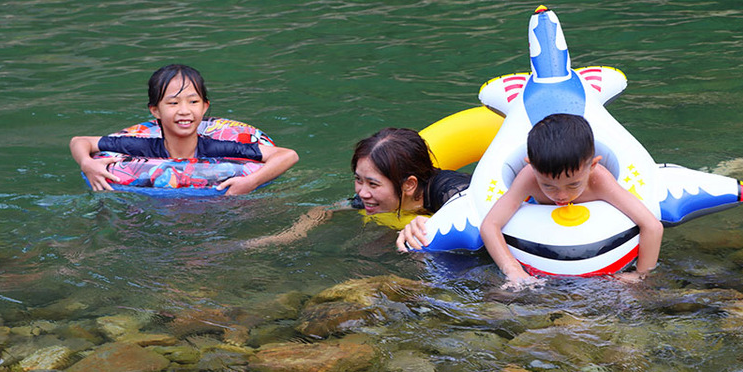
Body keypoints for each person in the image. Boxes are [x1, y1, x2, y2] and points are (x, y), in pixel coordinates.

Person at [477, 113, 663, 287]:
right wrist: (513, 269)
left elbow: (652, 226)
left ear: (593, 166)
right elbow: (490, 225)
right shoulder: (528, 178)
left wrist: (641, 274)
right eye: (548, 186)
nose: (561, 195)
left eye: (573, 185)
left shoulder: (600, 181)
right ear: (531, 167)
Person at [70, 64, 299, 195]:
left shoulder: (218, 148)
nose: (184, 111)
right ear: (155, 111)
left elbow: (288, 155)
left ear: (205, 107)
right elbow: (80, 141)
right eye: (173, 103)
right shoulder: (141, 148)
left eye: (193, 102)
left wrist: (251, 182)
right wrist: (87, 163)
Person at [243, 127, 471, 247]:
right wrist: (292, 233)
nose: (362, 192)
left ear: (409, 184)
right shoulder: (369, 195)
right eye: (359, 179)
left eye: (373, 183)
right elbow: (326, 208)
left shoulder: (448, 190)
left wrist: (433, 223)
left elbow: (478, 210)